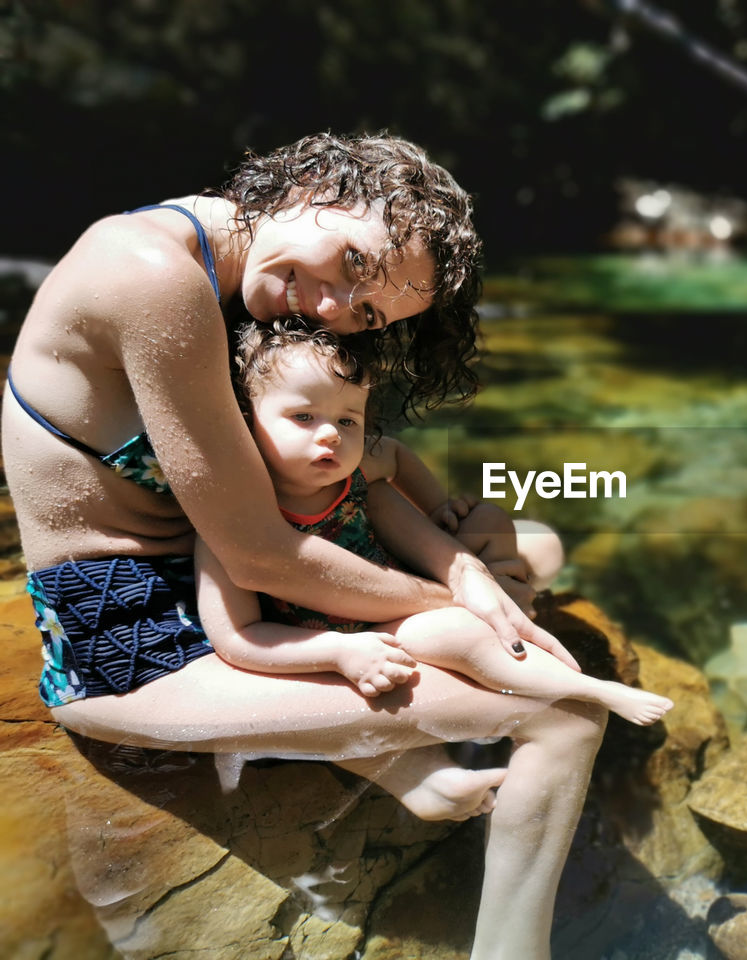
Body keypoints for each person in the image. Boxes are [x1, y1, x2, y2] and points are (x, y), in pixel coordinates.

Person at [1, 131, 606, 959]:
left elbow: (343, 481)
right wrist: (465, 595)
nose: (327, 311)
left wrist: (463, 562)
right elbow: (260, 558)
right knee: (565, 711)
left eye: (364, 313)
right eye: (354, 263)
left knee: (533, 542)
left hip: (249, 589)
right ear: (315, 183)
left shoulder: (242, 282)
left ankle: (408, 771)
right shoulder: (151, 274)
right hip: (141, 649)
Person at [197, 319, 674, 727]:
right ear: (244, 422)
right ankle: (590, 689)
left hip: (403, 595)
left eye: (348, 421)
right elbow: (238, 639)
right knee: (460, 633)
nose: (330, 435)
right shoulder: (232, 525)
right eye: (303, 416)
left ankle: (513, 605)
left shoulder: (363, 488)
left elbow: (434, 540)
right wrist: (336, 653)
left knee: (487, 519)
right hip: (362, 636)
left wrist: (439, 508)